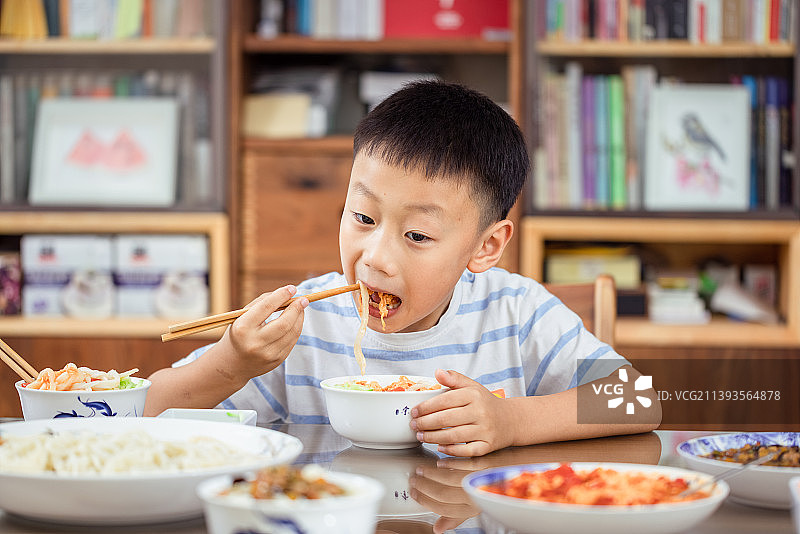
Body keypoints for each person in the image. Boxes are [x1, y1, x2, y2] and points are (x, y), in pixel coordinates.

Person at [144, 80, 661, 457]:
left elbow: (639, 401)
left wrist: (511, 420)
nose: (375, 257)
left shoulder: (516, 313)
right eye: (363, 217)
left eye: (417, 236)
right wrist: (234, 361)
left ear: (485, 247)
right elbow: (147, 413)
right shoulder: (301, 328)